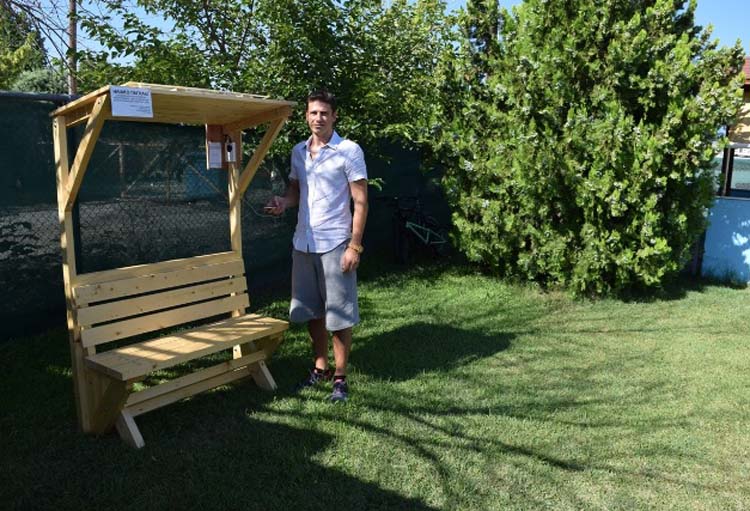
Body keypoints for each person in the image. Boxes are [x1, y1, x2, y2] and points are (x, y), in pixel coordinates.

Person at [265, 90, 368, 402]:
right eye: (313, 113)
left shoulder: (348, 151)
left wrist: (354, 246)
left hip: (336, 242)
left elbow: (361, 202)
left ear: (334, 116)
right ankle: (320, 367)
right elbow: (296, 191)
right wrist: (284, 202)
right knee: (312, 311)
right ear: (306, 116)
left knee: (339, 314)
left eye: (324, 113)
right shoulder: (299, 151)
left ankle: (340, 378)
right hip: (303, 243)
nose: (318, 118)